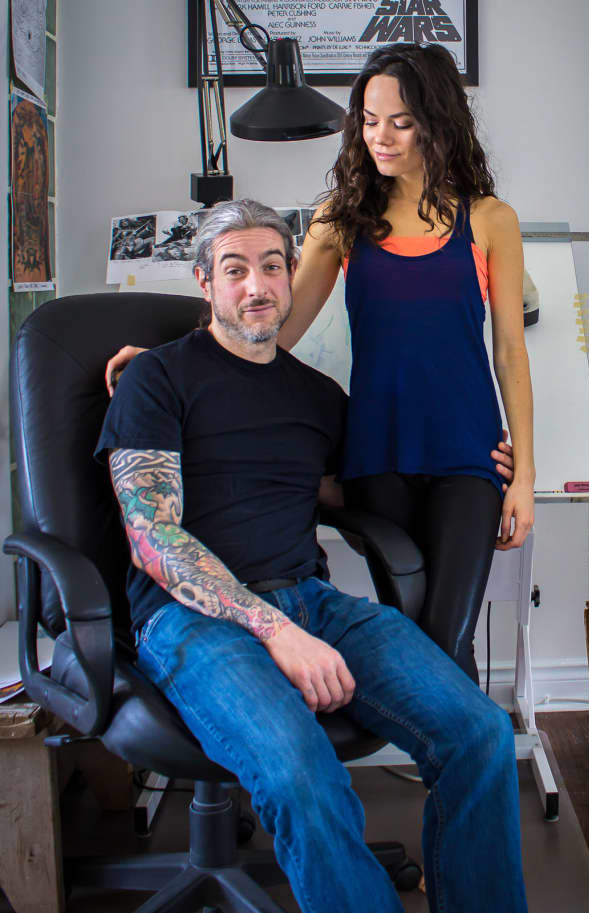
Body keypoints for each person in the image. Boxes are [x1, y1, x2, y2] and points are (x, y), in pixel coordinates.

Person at [96, 199, 528, 913]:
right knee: (301, 772)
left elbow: (375, 476)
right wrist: (275, 630)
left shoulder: (319, 398)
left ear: (293, 274)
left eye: (272, 266)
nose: (257, 286)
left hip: (311, 601)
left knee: (479, 732)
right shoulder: (157, 379)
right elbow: (153, 539)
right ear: (205, 281)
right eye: (235, 270)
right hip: (191, 620)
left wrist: (495, 463)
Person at [105, 42, 535, 684]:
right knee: (414, 633)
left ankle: (461, 741)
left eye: (400, 122)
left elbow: (509, 351)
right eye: (369, 120)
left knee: (450, 634)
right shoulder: (343, 219)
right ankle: (449, 744)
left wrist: (525, 474)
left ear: (437, 123)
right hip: (377, 452)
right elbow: (273, 326)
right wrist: (169, 364)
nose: (379, 137)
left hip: (468, 453)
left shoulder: (491, 220)